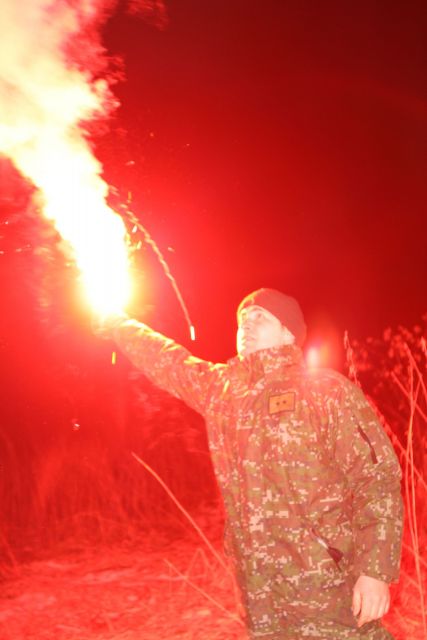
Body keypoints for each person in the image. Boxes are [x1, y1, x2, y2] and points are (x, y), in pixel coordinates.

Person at [97, 288, 403, 639]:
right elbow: (169, 361)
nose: (247, 325)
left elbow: (376, 480)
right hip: (259, 592)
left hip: (326, 586)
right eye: (243, 319)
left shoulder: (326, 391)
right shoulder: (225, 392)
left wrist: (375, 571)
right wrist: (118, 323)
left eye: (261, 318)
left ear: (289, 333)